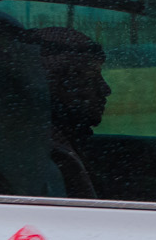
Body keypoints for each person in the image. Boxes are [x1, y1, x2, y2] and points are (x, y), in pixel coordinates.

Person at [29, 25, 111, 199]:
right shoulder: (51, 157)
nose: (106, 89)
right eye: (90, 79)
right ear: (55, 85)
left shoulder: (64, 142)